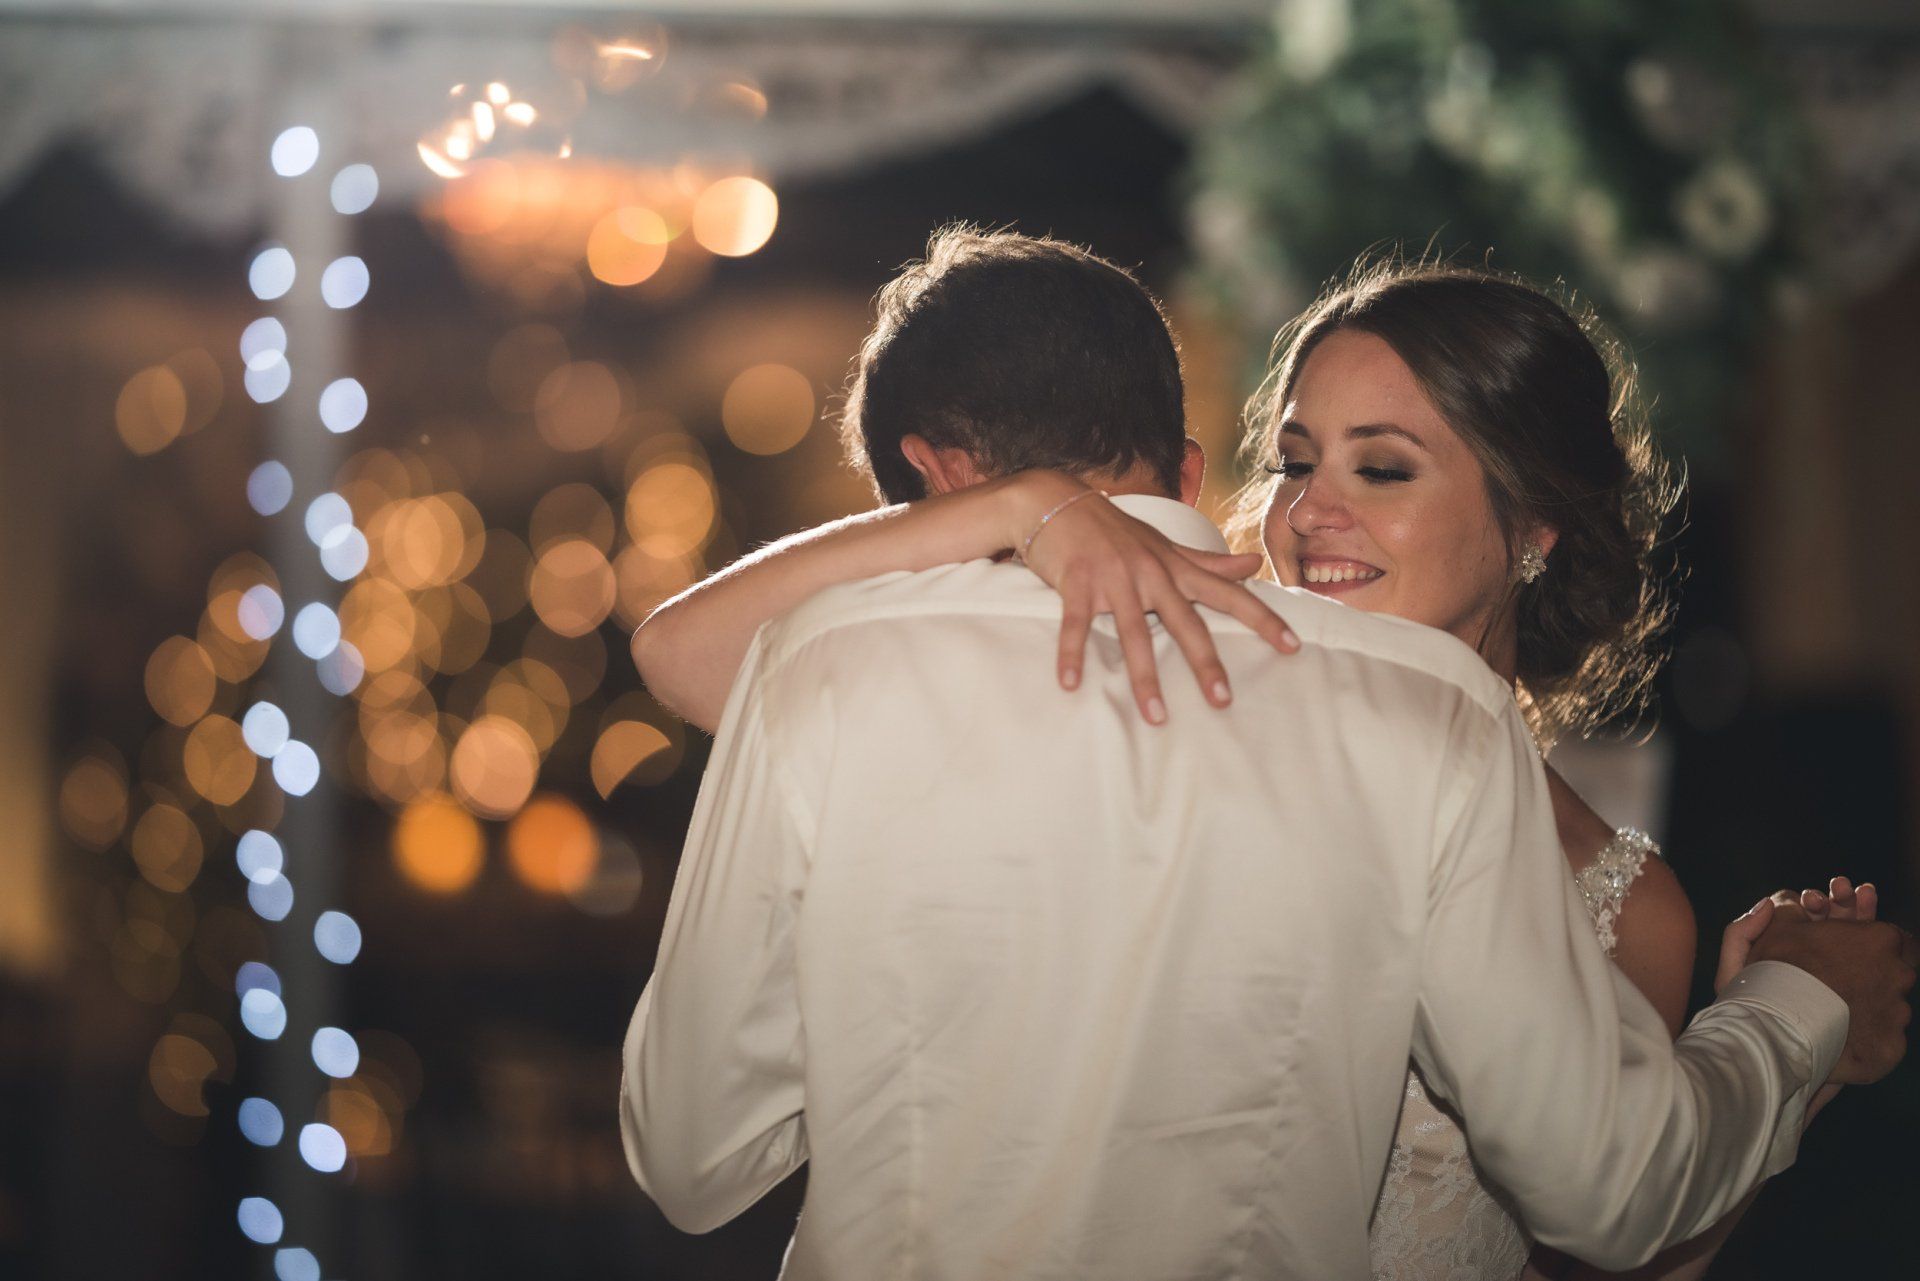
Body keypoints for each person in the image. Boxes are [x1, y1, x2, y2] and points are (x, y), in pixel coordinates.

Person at [619, 229, 1912, 1279]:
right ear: (1198, 465)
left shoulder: (830, 671)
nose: (1312, 508)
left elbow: (689, 1159)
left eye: (1384, 466)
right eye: (1295, 460)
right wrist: (1792, 1023)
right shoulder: (1413, 726)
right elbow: (1621, 1186)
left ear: (1535, 527)